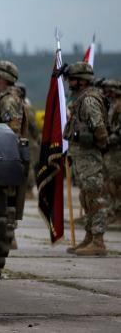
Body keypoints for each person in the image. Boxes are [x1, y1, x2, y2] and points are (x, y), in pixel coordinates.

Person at [64, 62, 111, 256]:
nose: (69, 82)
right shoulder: (80, 98)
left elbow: (99, 128)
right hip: (82, 156)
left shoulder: (89, 100)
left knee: (95, 198)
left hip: (90, 156)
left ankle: (98, 241)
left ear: (82, 81)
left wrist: (99, 146)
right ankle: (89, 237)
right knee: (86, 198)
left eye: (72, 79)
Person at [0, 60, 33, 195]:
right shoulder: (1, 97)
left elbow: (12, 132)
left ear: (1, 77)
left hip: (2, 155)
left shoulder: (9, 100)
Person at [97, 78, 121, 222]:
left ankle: (118, 210)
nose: (106, 92)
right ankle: (113, 209)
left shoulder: (119, 106)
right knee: (110, 181)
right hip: (110, 150)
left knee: (117, 180)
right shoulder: (112, 105)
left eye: (108, 89)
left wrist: (108, 140)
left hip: (117, 149)